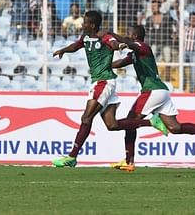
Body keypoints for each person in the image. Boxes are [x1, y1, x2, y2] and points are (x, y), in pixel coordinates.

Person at [51, 11, 164, 168]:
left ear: (92, 25)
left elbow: (113, 44)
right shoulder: (85, 37)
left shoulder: (104, 37)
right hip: (99, 83)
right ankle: (151, 122)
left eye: (84, 22)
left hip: (104, 82)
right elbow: (76, 46)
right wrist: (63, 50)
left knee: (86, 118)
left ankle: (72, 157)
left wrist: (120, 45)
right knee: (112, 125)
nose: (82, 25)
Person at [109, 25, 195, 171]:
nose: (127, 36)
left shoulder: (142, 46)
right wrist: (102, 66)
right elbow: (118, 64)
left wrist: (111, 34)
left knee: (130, 122)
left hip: (152, 91)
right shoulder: (135, 53)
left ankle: (129, 161)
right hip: (161, 92)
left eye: (129, 33)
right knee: (175, 128)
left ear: (135, 36)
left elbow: (129, 43)